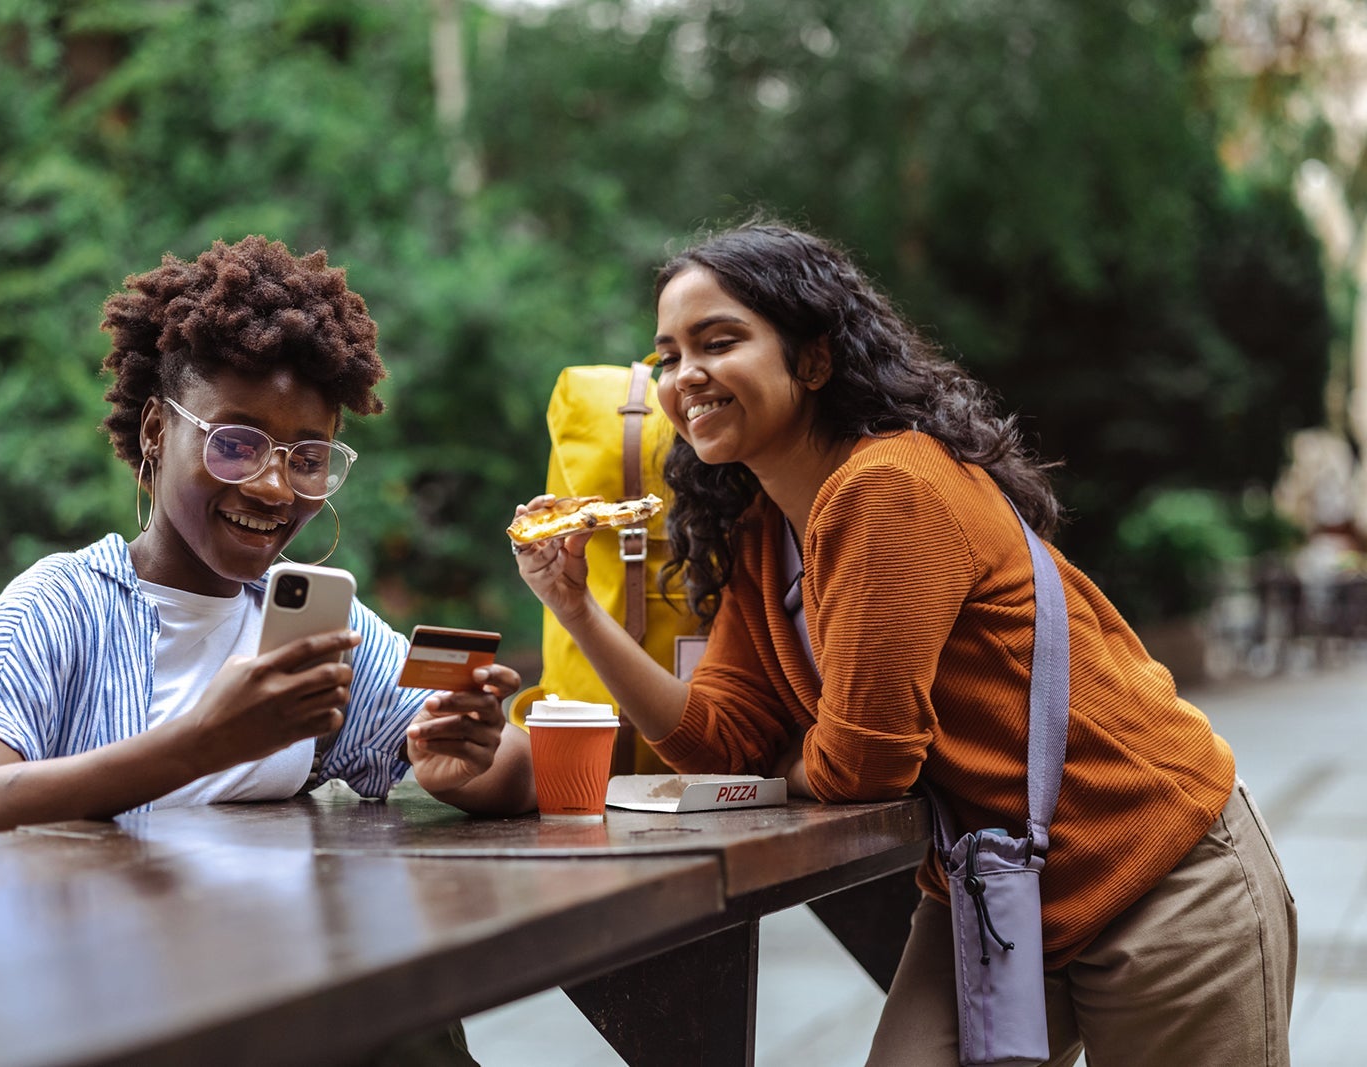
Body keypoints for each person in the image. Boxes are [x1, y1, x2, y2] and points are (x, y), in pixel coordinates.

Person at [513, 221, 1296, 1066]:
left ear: (814, 359)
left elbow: (863, 763)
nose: (684, 375)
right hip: (994, 887)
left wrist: (788, 767)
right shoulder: (766, 535)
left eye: (720, 340)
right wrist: (576, 607)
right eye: (668, 355)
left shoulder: (889, 486)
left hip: (1159, 873)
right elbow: (722, 740)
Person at [0, 234, 536, 851]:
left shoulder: (314, 630)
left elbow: (519, 775)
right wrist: (201, 743)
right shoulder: (60, 608)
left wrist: (461, 761)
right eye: (234, 444)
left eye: (306, 458)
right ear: (156, 430)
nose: (274, 487)